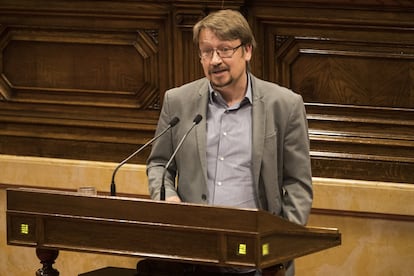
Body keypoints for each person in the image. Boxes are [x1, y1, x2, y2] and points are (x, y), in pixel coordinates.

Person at [146, 9, 313, 276]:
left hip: (258, 258)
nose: (215, 60)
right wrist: (169, 199)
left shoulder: (284, 105)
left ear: (247, 51)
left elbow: (297, 184)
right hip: (194, 256)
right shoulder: (178, 101)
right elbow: (159, 165)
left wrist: (281, 245)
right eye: (206, 51)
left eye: (225, 50)